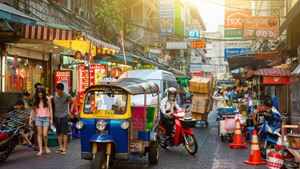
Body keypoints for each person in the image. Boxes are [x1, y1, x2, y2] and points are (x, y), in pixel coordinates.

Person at [31, 88, 53, 156]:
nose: (40, 96)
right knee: (39, 134)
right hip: (38, 118)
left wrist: (51, 119)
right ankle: (40, 149)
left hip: (46, 118)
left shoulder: (47, 99)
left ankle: (46, 147)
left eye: (41, 95)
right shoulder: (35, 100)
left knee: (45, 134)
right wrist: (31, 119)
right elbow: (33, 110)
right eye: (39, 95)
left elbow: (50, 109)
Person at [53, 83, 74, 155]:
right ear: (56, 89)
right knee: (58, 133)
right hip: (56, 116)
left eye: (61, 91)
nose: (59, 93)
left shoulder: (66, 96)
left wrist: (70, 111)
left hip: (64, 116)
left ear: (63, 90)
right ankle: (60, 147)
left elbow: (72, 102)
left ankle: (64, 147)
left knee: (64, 132)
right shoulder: (53, 96)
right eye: (58, 91)